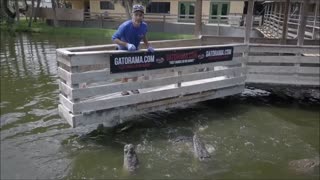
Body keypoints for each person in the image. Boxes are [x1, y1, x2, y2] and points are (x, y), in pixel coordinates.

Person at [112, 4, 154, 96]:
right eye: (136, 15)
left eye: (140, 15)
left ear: (143, 16)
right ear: (132, 15)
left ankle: (133, 87)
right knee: (126, 71)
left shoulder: (144, 26)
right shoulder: (125, 26)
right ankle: (124, 89)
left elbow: (144, 37)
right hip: (123, 50)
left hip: (135, 49)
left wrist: (148, 46)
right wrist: (126, 45)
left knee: (137, 70)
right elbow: (114, 38)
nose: (138, 17)